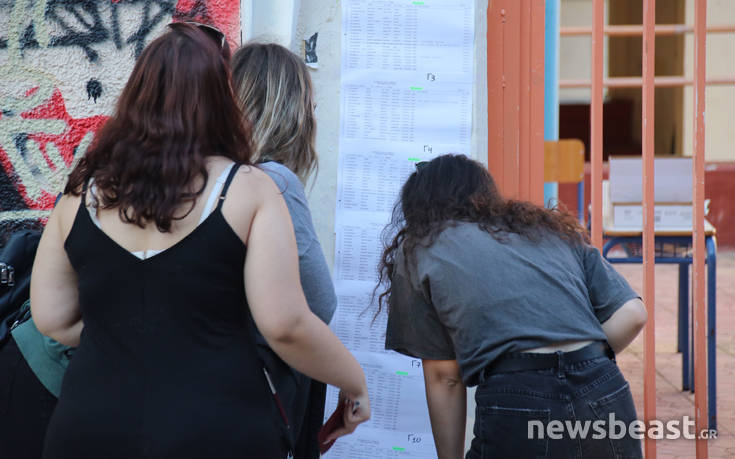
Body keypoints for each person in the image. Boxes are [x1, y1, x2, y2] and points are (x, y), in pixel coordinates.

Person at [30, 23, 369, 459]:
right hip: (218, 426)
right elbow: (286, 324)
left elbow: (52, 319)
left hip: (89, 426)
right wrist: (353, 380)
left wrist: (137, 334)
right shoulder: (250, 190)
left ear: (135, 95)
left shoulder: (81, 194)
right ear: (221, 99)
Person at [378, 154, 647, 459]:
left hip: (518, 395)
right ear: (485, 194)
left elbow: (445, 376)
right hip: (604, 389)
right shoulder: (548, 230)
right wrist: (578, 361)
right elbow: (634, 314)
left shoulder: (422, 247)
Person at [230, 42, 333, 458]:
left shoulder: (207, 177)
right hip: (253, 396)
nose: (313, 117)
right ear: (287, 113)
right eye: (309, 106)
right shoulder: (274, 182)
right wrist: (349, 377)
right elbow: (319, 304)